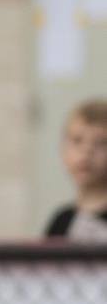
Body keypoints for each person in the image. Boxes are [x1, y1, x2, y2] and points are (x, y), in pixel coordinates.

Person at [44, 99, 107, 240]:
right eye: (77, 140)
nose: (87, 151)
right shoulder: (61, 221)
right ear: (62, 150)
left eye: (102, 142)